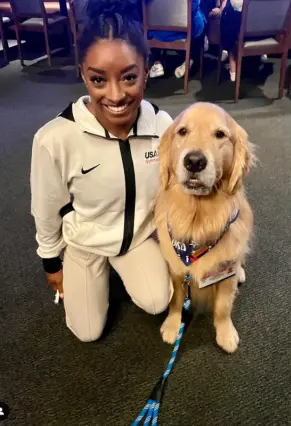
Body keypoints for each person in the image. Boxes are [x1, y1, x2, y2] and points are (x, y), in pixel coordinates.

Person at [30, 0, 173, 343]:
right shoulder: (55, 139)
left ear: (146, 71)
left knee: (158, 301)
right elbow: (47, 208)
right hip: (86, 242)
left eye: (128, 77)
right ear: (83, 73)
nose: (115, 95)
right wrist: (51, 262)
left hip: (137, 236)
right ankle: (89, 272)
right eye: (98, 79)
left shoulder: (162, 125)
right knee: (87, 333)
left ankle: (126, 269)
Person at [147, 0, 209, 79]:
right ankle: (191, 58)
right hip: (183, 32)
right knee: (200, 20)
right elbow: (193, 10)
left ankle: (157, 61)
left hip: (157, 32)